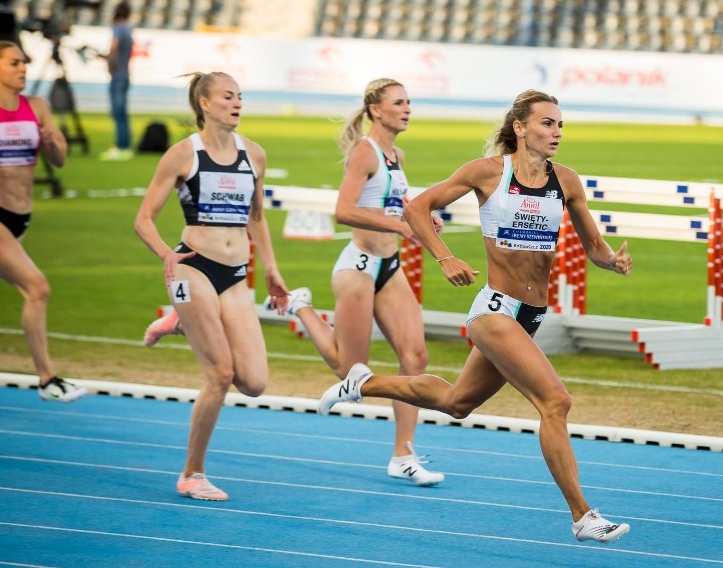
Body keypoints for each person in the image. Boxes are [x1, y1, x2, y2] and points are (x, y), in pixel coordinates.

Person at [319, 90, 633, 543]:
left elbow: (594, 247)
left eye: (560, 125)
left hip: (531, 315)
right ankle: (583, 516)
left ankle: (362, 384)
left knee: (456, 403)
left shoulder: (566, 181)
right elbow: (416, 207)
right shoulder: (487, 172)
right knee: (555, 402)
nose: (556, 133)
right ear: (520, 127)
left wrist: (613, 262)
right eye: (547, 123)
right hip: (494, 312)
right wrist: (445, 257)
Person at [269, 78, 445, 486]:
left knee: (415, 358)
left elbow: (396, 200)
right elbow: (344, 211)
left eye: (409, 102)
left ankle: (403, 454)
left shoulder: (396, 153)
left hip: (390, 267)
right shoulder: (363, 153)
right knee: (348, 370)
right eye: (399, 103)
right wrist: (398, 226)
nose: (407, 109)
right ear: (376, 110)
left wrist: (420, 218)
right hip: (358, 268)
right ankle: (301, 305)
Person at [134, 71, 291, 501]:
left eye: (240, 96)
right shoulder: (183, 154)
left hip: (235, 275)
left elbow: (257, 217)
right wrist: (167, 253)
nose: (237, 103)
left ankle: (179, 320)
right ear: (205, 103)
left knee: (254, 382)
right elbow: (142, 219)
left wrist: (273, 270)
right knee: (220, 374)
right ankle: (192, 473)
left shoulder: (253, 154)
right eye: (227, 96)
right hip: (193, 268)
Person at [0, 40, 87, 403]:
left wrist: (51, 141)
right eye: (14, 63)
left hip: (19, 220)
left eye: (25, 63)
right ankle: (47, 380)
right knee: (37, 288)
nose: (23, 68)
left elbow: (59, 160)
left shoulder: (37, 107)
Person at [99, 1, 133, 161]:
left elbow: (114, 47)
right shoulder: (128, 29)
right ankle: (124, 145)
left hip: (118, 76)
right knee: (122, 113)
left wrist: (109, 62)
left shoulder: (119, 28)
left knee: (117, 113)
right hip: (125, 74)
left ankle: (121, 146)